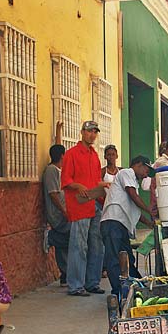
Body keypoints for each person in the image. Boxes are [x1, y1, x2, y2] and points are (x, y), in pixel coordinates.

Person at [61, 120, 108, 297]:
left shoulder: (94, 155)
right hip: (79, 205)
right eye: (89, 131)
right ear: (82, 132)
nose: (92, 135)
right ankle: (75, 285)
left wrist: (105, 184)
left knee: (97, 244)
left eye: (95, 132)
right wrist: (77, 185)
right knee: (78, 246)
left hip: (94, 203)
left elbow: (95, 180)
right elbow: (65, 180)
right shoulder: (71, 154)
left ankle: (92, 282)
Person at [100, 155, 154, 295]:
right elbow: (133, 196)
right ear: (138, 165)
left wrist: (149, 222)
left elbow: (135, 210)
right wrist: (149, 210)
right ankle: (119, 291)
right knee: (114, 259)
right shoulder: (126, 173)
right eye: (146, 170)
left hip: (121, 225)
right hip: (112, 222)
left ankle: (135, 287)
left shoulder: (133, 183)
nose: (146, 175)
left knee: (128, 259)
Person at [43, 130, 70, 286]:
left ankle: (65, 273)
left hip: (63, 212)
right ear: (61, 156)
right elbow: (53, 194)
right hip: (58, 215)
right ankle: (51, 237)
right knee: (65, 239)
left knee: (64, 244)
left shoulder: (58, 169)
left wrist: (58, 132)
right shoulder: (52, 171)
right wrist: (64, 211)